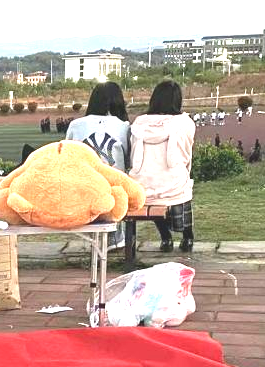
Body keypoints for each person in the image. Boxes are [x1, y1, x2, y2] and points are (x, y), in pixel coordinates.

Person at [129, 79, 196, 254]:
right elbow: (186, 154)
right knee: (181, 187)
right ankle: (187, 237)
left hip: (143, 186)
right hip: (174, 187)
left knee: (153, 197)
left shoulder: (139, 122)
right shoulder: (185, 122)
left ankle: (166, 238)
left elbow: (133, 153)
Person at [66, 82, 131, 172]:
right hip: (114, 178)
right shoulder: (124, 127)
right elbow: (128, 161)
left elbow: (68, 156)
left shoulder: (75, 125)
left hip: (82, 177)